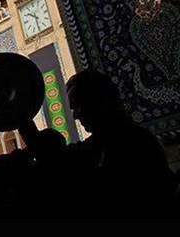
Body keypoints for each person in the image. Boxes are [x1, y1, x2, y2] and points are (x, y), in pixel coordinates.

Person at [65, 69, 177, 217]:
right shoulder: (109, 140)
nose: (75, 115)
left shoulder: (133, 145)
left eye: (78, 105)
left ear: (101, 102)